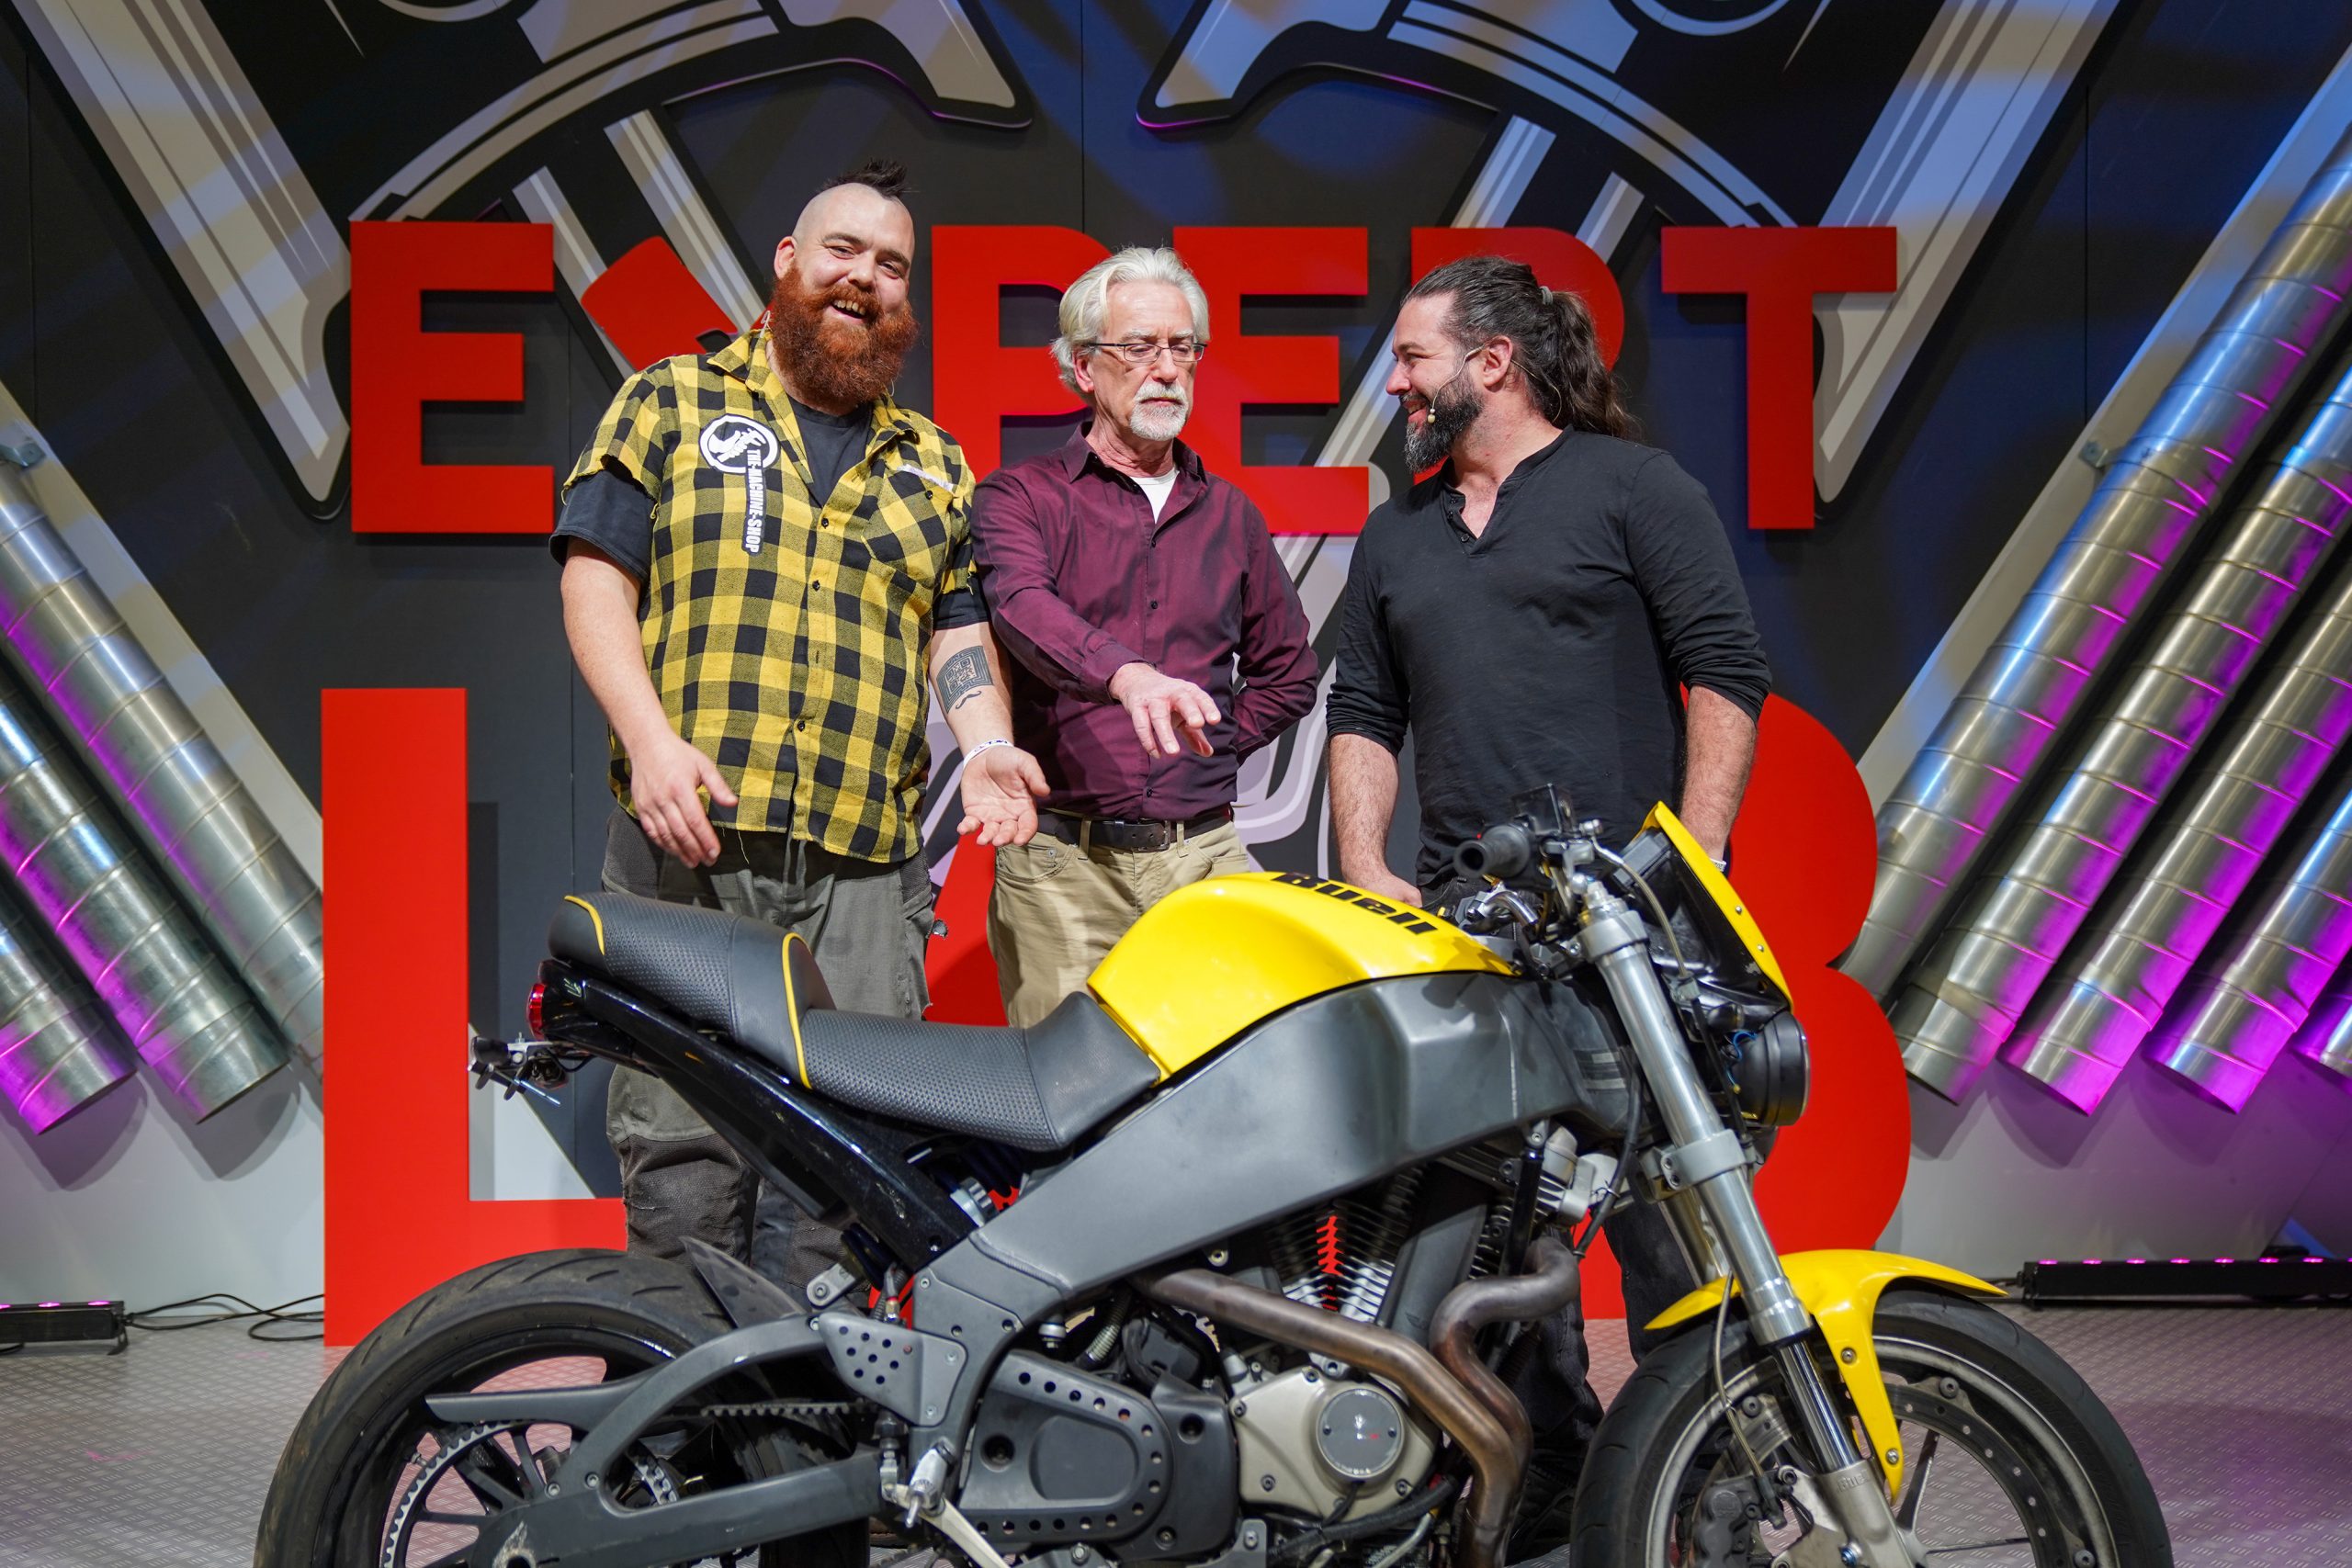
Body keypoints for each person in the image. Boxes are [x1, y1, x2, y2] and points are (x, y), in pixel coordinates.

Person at [1325, 254, 1771, 1548]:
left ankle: (1714, 1505)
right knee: (1497, 1256)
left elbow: (1724, 671)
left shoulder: (1634, 487)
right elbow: (1363, 709)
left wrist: (1690, 858)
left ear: (1494, 362)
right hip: (1468, 942)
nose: (1395, 384)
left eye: (1413, 359)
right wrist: (1363, 860)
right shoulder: (1397, 532)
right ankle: (1552, 1505)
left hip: (1628, 937)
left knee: (1673, 1237)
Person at [552, 160, 1047, 1291]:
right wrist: (649, 740)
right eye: (842, 251)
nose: (864, 278)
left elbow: (956, 634)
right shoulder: (671, 399)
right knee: (682, 1165)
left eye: (891, 265)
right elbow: (594, 577)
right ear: (787, 260)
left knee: (850, 1179)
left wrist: (983, 746)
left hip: (864, 875)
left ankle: (819, 1404)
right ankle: (684, 1403)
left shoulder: (934, 463)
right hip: (690, 852)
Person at [971, 247, 1318, 1026]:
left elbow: (1290, 673)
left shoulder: (1232, 515)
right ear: (1084, 367)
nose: (1166, 369)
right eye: (1139, 347)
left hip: (1205, 857)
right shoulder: (1021, 497)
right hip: (1063, 866)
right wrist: (1128, 678)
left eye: (1182, 347)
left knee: (1225, 1074)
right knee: (1066, 1086)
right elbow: (1023, 609)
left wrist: (1212, 743)